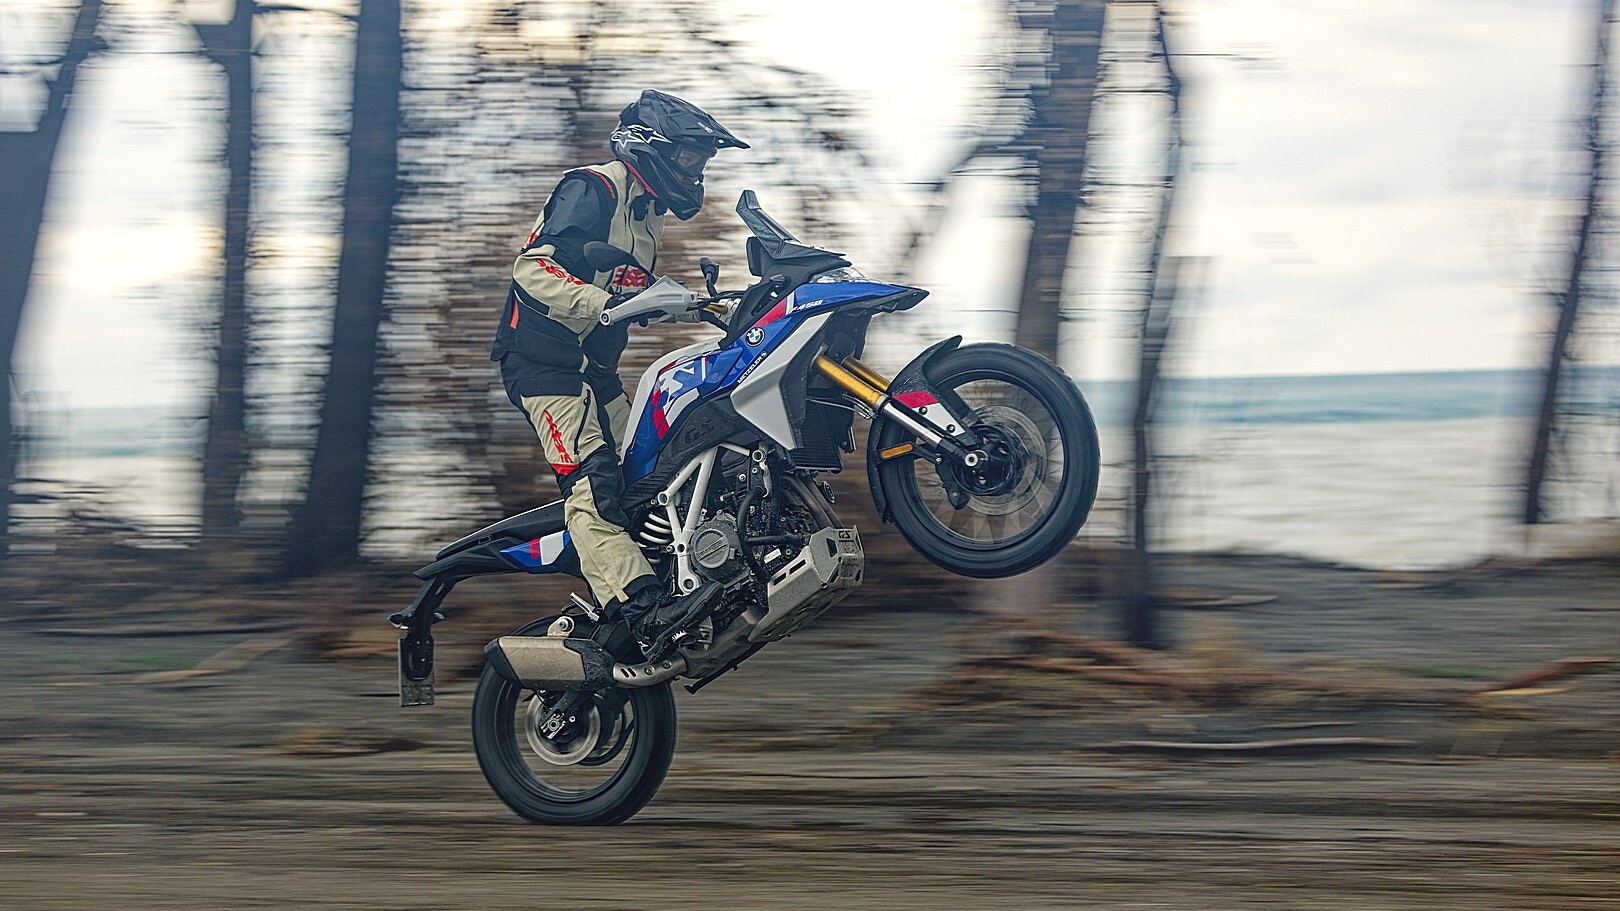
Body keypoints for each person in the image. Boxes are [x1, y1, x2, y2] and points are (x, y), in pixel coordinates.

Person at [490, 90, 748, 657]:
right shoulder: (593, 188)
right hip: (544, 370)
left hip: (597, 374)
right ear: (651, 147)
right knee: (593, 486)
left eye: (702, 160)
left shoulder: (647, 212)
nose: (696, 170)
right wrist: (602, 306)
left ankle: (683, 575)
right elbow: (534, 270)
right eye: (689, 156)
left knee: (654, 473)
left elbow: (629, 287)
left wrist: (701, 306)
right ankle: (638, 605)